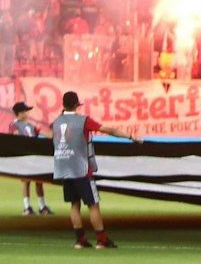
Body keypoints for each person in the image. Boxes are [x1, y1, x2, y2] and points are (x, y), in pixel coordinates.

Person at [50, 90, 143, 249]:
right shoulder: (83, 121)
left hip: (64, 168)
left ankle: (80, 240)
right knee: (93, 204)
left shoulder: (56, 122)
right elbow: (108, 130)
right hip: (82, 169)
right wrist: (130, 136)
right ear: (76, 105)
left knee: (74, 204)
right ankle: (102, 239)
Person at [11, 102, 51, 216]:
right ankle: (27, 207)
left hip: (34, 156)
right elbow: (16, 136)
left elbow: (42, 132)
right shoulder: (14, 125)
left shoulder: (29, 126)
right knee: (26, 181)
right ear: (20, 113)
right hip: (24, 156)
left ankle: (42, 206)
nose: (27, 113)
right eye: (25, 111)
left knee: (39, 181)